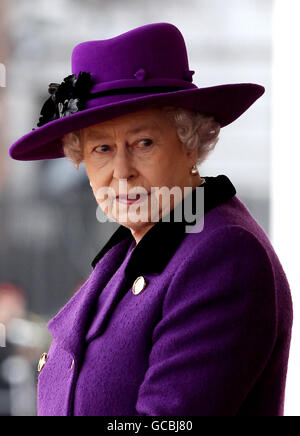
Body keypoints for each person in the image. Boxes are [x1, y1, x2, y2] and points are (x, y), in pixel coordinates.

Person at [8, 22, 293, 416]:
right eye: (102, 148)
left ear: (191, 144)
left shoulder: (223, 254)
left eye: (143, 143)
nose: (121, 171)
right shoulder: (133, 252)